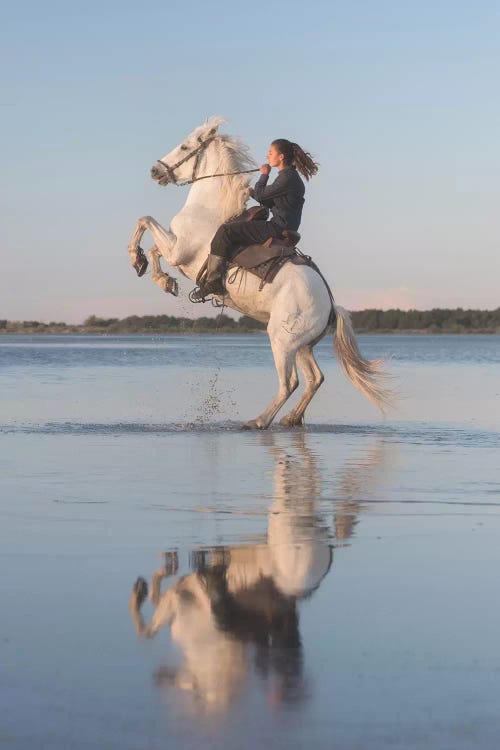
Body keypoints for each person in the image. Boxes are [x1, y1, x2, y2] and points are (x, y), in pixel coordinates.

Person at [191, 139, 319, 300]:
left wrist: (264, 175)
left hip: (277, 227)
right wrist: (247, 190)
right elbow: (269, 200)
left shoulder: (287, 178)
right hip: (282, 224)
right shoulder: (288, 177)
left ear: (281, 157)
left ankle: (213, 282)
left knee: (226, 231)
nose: (267, 156)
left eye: (270, 153)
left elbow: (261, 194)